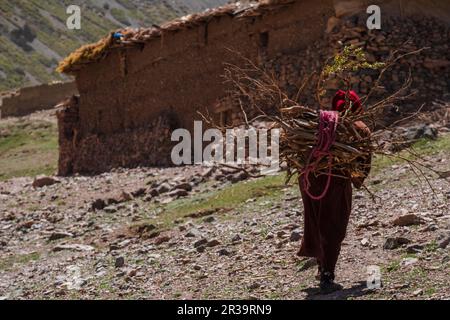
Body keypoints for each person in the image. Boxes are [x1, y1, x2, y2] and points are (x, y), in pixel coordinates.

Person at [297, 90, 372, 294]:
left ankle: (322, 267)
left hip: (308, 180)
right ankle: (327, 277)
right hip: (335, 182)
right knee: (333, 227)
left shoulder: (317, 125)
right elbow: (363, 162)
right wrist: (356, 179)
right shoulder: (357, 128)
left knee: (316, 221)